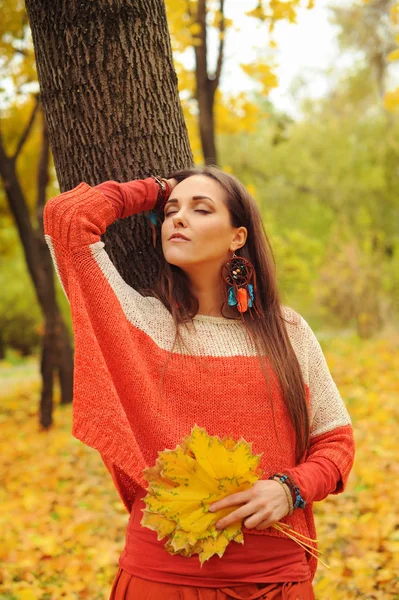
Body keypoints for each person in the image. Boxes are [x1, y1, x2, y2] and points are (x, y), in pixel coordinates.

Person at [43, 166, 355, 600]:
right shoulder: (138, 323)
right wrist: (157, 189)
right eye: (171, 211)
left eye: (201, 209)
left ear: (237, 237)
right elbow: (68, 218)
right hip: (164, 579)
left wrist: (291, 490)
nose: (179, 218)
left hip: (276, 577)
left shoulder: (288, 332)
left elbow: (336, 441)